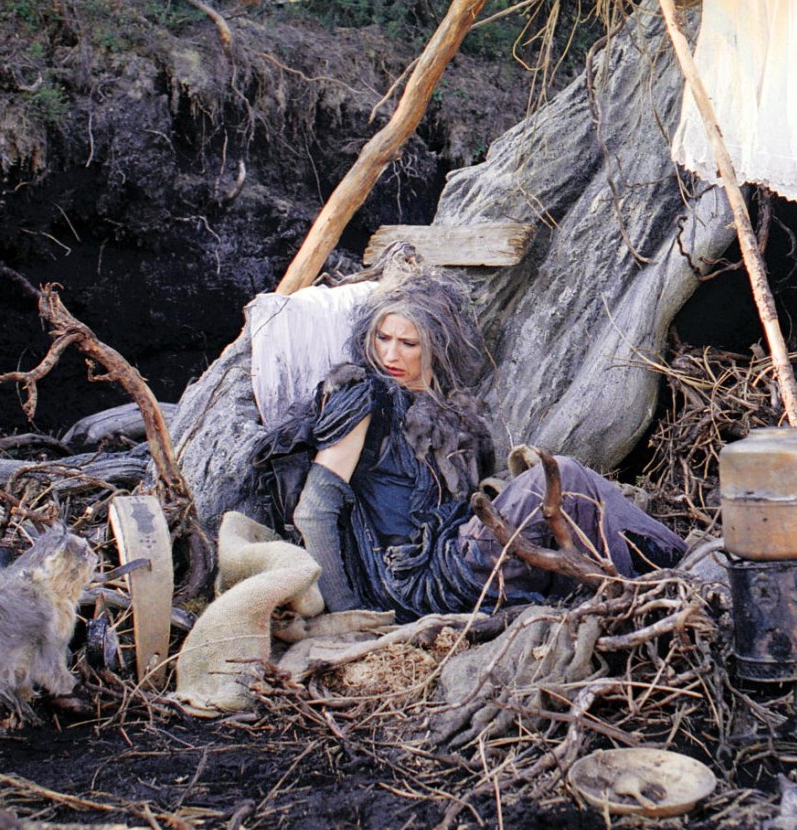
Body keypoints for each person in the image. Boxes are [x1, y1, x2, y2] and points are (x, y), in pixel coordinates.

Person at [266, 263, 685, 622]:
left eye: (408, 343)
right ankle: (674, 567)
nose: (390, 354)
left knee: (569, 486)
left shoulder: (446, 412)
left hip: (455, 549)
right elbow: (315, 510)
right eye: (383, 339)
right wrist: (349, 611)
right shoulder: (366, 396)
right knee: (563, 473)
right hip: (413, 579)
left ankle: (667, 567)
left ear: (436, 346)